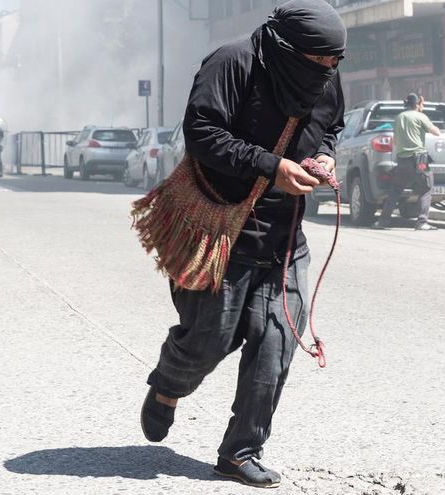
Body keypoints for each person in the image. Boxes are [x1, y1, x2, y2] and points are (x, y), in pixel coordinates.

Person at [140, 0, 346, 488]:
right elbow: (202, 133)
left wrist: (324, 156)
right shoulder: (232, 62)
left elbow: (331, 126)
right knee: (210, 338)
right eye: (317, 62)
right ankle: (169, 383)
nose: (326, 72)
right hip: (221, 227)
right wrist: (271, 166)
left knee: (276, 341)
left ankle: (240, 452)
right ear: (287, 48)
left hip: (285, 232)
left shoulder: (326, 74)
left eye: (334, 64)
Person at [373, 94, 441, 231]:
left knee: (395, 190)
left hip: (402, 160)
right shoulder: (420, 116)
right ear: (417, 104)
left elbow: (395, 142)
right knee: (426, 188)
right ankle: (422, 222)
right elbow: (436, 132)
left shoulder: (399, 117)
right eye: (422, 104)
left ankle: (382, 222)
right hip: (419, 160)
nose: (423, 106)